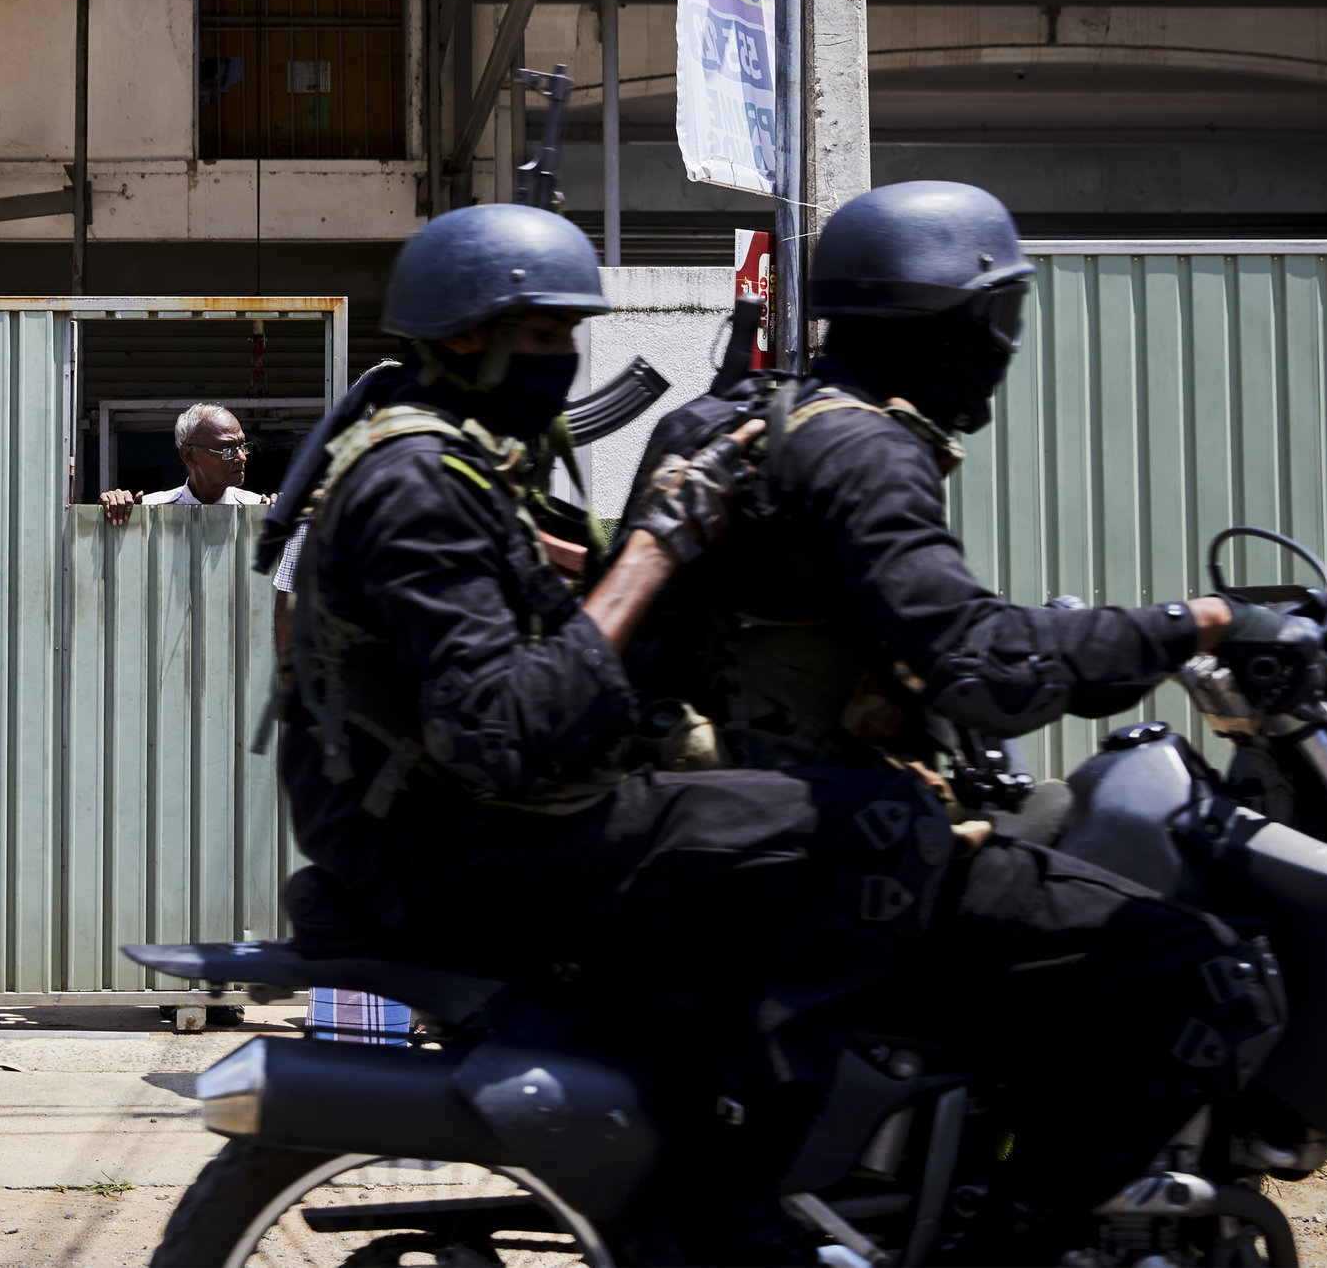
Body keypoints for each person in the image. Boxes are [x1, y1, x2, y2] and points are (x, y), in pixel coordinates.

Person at [267, 203, 960, 1261]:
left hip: (445, 814)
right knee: (875, 824)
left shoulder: (458, 460)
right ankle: (743, 1178)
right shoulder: (415, 486)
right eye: (543, 335)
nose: (565, 357)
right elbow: (505, 730)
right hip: (452, 838)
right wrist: (652, 550)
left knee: (756, 802)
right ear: (465, 338)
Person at [620, 179, 1290, 1263]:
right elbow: (977, 664)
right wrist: (1190, 624)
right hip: (836, 844)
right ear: (943, 323)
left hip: (720, 827)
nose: (1004, 346)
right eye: (998, 320)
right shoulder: (864, 452)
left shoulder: (735, 415)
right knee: (1205, 977)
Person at [100, 403, 268, 525]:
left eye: (242, 447)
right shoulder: (150, 511)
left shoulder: (260, 510)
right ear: (189, 456)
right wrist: (110, 510)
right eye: (227, 449)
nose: (242, 457)